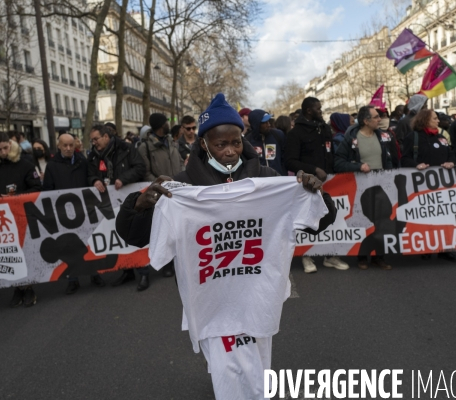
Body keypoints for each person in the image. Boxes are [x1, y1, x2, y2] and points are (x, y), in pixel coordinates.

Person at [115, 93, 336, 400]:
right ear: (204, 143)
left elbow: (319, 220)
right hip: (211, 299)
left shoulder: (266, 179)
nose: (231, 151)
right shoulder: (182, 188)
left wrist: (316, 194)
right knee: (229, 365)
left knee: (251, 365)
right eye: (221, 144)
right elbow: (135, 235)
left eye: (236, 141)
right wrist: (137, 206)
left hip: (256, 295)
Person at [286, 97, 347, 273]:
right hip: (307, 187)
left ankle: (331, 255)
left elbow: (330, 152)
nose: (321, 111)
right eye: (318, 109)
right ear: (308, 111)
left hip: (330, 183)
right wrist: (313, 169)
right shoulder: (296, 133)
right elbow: (290, 161)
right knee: (309, 222)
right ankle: (306, 256)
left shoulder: (324, 129)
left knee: (332, 219)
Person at [0, 131, 42, 307]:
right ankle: (17, 288)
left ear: (10, 145)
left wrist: (16, 197)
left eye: (5, 148)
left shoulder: (25, 163)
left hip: (23, 214)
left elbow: (37, 188)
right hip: (1, 218)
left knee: (26, 253)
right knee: (10, 254)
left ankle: (29, 288)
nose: (3, 152)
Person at [87, 125, 149, 288]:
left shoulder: (127, 149)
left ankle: (144, 273)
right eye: (92, 140)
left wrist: (123, 179)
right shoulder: (93, 156)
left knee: (134, 233)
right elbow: (89, 173)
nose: (93, 143)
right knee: (118, 235)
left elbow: (140, 168)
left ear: (106, 137)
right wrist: (95, 180)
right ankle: (127, 271)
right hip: (109, 203)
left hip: (129, 200)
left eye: (96, 139)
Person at [43, 133, 105, 293]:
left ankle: (94, 273)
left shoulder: (82, 162)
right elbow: (47, 190)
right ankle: (73, 279)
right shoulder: (52, 166)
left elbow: (90, 179)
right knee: (68, 247)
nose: (69, 148)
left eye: (71, 145)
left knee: (88, 242)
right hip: (64, 214)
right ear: (59, 146)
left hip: (83, 211)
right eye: (65, 145)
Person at [335, 105, 393, 270]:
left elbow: (389, 159)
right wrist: (358, 167)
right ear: (366, 121)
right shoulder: (351, 139)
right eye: (375, 117)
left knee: (381, 220)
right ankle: (362, 256)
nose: (379, 119)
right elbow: (338, 162)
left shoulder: (382, 136)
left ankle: (378, 256)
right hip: (361, 187)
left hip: (380, 185)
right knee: (363, 220)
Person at [401, 109, 456, 263]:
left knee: (444, 216)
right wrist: (416, 165)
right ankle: (426, 247)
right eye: (435, 118)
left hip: (442, 186)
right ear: (425, 120)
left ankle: (445, 249)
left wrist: (451, 162)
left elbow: (451, 153)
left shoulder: (441, 137)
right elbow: (404, 159)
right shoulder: (412, 137)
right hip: (423, 186)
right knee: (427, 217)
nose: (438, 121)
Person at [137, 114, 184, 279]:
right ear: (159, 125)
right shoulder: (146, 147)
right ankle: (166, 263)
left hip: (177, 191)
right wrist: (159, 185)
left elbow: (178, 161)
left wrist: (181, 180)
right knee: (164, 228)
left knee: (178, 227)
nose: (169, 124)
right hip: (161, 192)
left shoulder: (171, 141)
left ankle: (179, 259)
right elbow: (146, 171)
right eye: (167, 122)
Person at [247, 109, 286, 176]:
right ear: (256, 125)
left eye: (268, 121)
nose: (268, 124)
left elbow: (285, 158)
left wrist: (283, 174)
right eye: (264, 122)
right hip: (259, 182)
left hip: (278, 179)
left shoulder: (278, 135)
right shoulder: (248, 141)